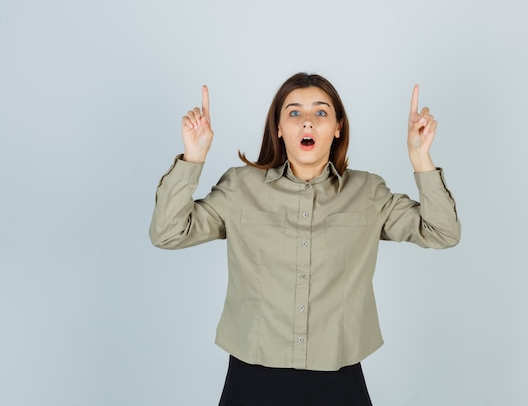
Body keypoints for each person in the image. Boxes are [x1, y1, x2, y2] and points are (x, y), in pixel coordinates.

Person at [149, 72, 461, 406]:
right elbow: (168, 233)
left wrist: (420, 159)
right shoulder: (240, 188)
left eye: (321, 112)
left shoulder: (368, 192)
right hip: (251, 379)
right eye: (295, 112)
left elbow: (441, 233)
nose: (308, 122)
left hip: (339, 378)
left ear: (338, 127)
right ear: (279, 128)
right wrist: (193, 158)